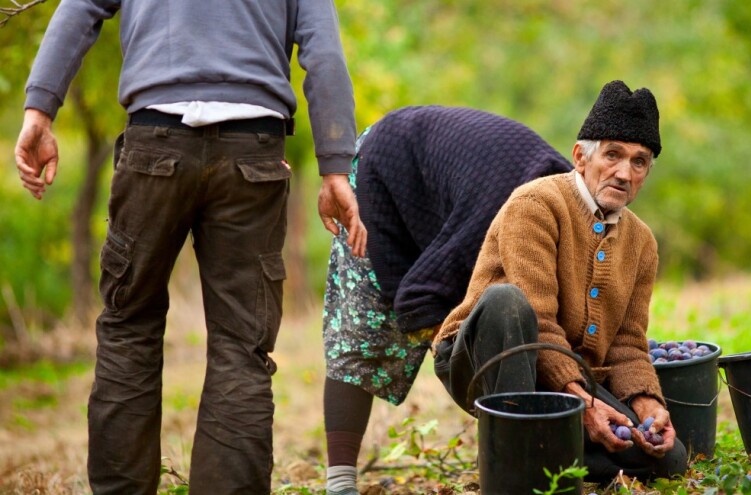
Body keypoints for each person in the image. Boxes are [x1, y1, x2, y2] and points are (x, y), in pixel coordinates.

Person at [13, 1, 365, 493]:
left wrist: (39, 110)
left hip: (154, 141)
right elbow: (323, 51)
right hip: (253, 151)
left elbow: (79, 8)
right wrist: (334, 167)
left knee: (128, 329)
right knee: (242, 347)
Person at [432, 80, 689, 482]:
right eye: (613, 155)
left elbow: (627, 343)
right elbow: (539, 321)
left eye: (639, 162)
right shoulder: (536, 204)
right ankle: (515, 466)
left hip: (564, 372)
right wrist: (584, 404)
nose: (624, 172)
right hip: (485, 355)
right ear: (580, 157)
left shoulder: (642, 244)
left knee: (668, 459)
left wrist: (647, 404)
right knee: (507, 301)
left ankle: (530, 457)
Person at [321, 105, 573, 494]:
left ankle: (516, 447)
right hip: (384, 167)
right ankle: (339, 482)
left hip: (460, 185)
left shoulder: (574, 219)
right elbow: (421, 298)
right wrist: (458, 353)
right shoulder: (503, 218)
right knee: (362, 337)